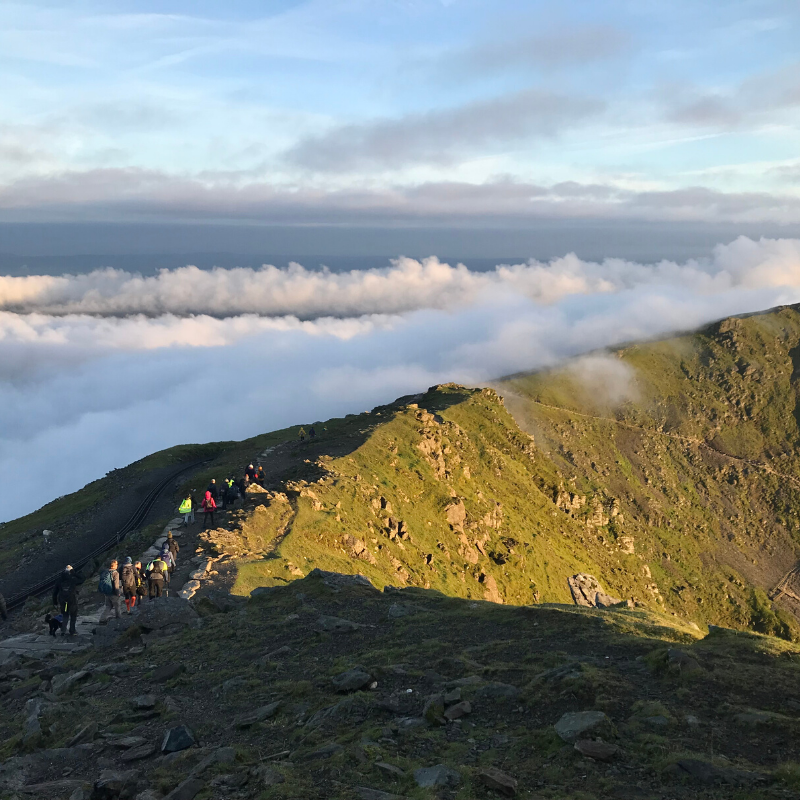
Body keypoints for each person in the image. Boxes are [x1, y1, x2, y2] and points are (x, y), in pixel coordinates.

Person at [52, 565, 84, 636]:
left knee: (65, 615)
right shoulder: (72, 579)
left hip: (62, 600)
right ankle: (72, 631)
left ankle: (63, 630)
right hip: (72, 600)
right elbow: (82, 579)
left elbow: (55, 592)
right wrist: (74, 573)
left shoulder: (59, 580)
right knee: (73, 615)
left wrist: (55, 602)